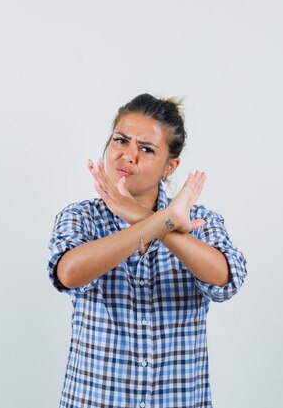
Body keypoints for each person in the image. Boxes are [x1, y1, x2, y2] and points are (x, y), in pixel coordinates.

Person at [47, 93, 247, 408]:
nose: (128, 155)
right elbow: (69, 273)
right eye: (120, 141)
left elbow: (225, 280)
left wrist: (150, 220)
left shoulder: (199, 220)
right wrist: (164, 222)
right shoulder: (81, 216)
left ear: (170, 166)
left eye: (146, 149)